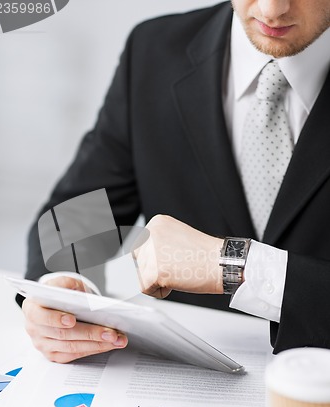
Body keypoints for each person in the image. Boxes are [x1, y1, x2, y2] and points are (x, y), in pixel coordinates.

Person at [21, 0, 330, 363]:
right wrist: (58, 297)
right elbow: (73, 223)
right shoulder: (153, 50)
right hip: (180, 382)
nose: (271, 9)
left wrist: (238, 267)